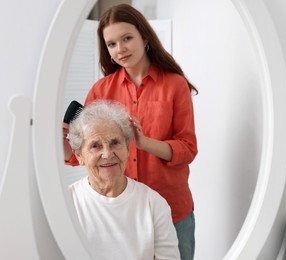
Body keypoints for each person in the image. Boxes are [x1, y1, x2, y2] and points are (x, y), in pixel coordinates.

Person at [63, 4, 198, 259]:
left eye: (127, 38)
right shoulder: (101, 90)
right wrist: (64, 139)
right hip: (121, 211)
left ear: (144, 37)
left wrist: (144, 142)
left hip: (173, 207)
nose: (120, 49)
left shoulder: (174, 85)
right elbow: (81, 153)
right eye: (111, 44)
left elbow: (188, 148)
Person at [67, 100, 180, 260]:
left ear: (127, 149)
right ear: (79, 156)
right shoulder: (66, 202)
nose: (107, 154)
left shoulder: (153, 203)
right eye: (95, 146)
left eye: (115, 143)